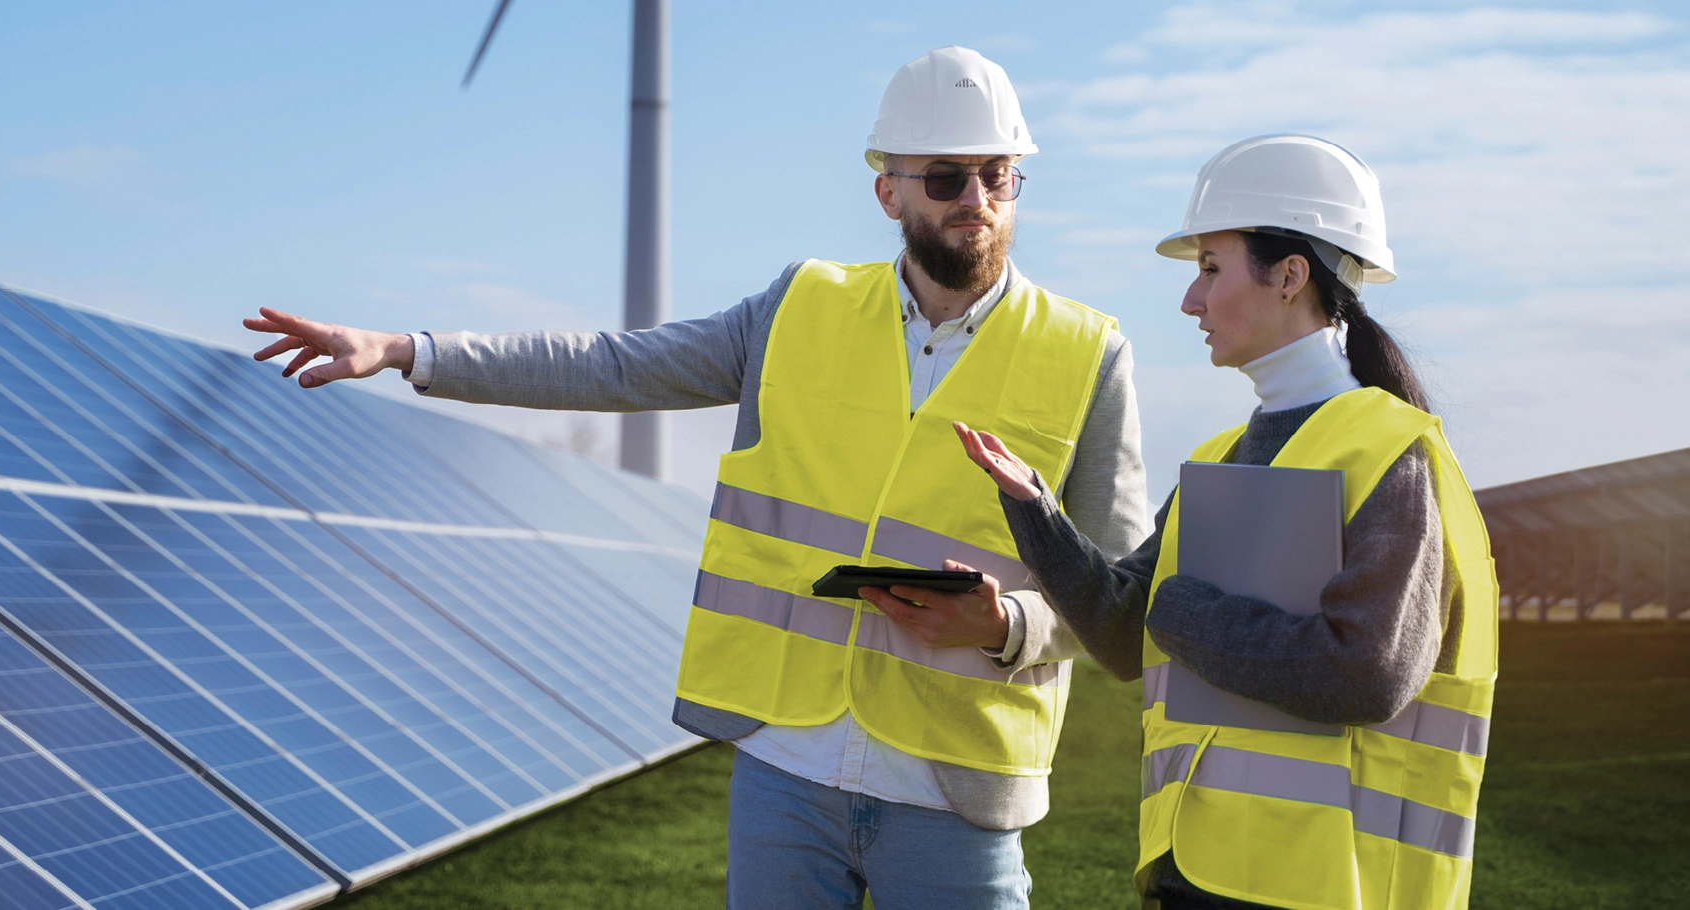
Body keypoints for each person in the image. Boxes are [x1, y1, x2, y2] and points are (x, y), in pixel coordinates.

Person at [242, 47, 1149, 909]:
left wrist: (1008, 625)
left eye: (998, 174)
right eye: (947, 178)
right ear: (888, 192)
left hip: (959, 787)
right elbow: (614, 366)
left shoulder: (1086, 353)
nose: (977, 200)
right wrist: (410, 351)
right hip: (785, 768)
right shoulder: (801, 305)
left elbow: (1116, 599)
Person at [937, 134, 1498, 909]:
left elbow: (1367, 672)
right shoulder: (1225, 454)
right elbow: (1126, 631)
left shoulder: (1388, 451)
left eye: (1209, 270)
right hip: (1201, 869)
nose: (1190, 301)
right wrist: (1037, 510)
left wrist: (1181, 610)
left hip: (1328, 887)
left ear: (1290, 276)